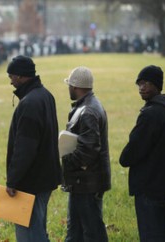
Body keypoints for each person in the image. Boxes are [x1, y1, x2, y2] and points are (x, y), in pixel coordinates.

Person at [120, 65, 165, 242]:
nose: (141, 87)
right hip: (162, 186)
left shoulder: (151, 115)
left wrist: (124, 157)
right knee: (164, 233)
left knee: (152, 235)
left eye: (146, 83)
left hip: (149, 187)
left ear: (157, 85)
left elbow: (129, 154)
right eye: (139, 84)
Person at [5, 55, 61, 242]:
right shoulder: (45, 95)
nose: (11, 81)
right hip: (45, 177)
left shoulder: (29, 103)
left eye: (12, 76)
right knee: (38, 228)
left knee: (30, 234)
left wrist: (13, 180)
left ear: (21, 76)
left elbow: (25, 148)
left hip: (31, 182)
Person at [61, 66, 111, 242]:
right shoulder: (87, 106)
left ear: (75, 87)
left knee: (92, 233)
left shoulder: (88, 111)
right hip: (82, 182)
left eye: (69, 85)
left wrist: (66, 161)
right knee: (76, 233)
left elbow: (88, 150)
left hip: (87, 183)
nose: (68, 88)